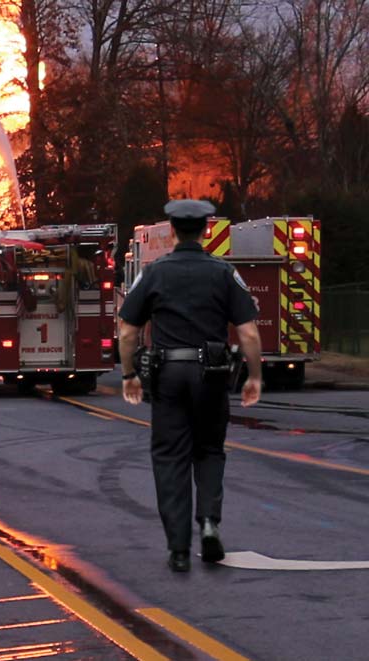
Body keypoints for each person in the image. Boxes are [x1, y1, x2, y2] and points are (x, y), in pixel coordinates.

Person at [118, 199, 263, 573]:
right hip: (212, 375)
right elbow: (247, 331)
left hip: (167, 376)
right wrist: (255, 375)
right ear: (204, 230)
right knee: (210, 450)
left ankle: (179, 549)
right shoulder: (222, 272)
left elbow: (128, 330)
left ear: (171, 230)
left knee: (170, 457)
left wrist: (129, 374)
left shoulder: (153, 273)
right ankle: (210, 522)